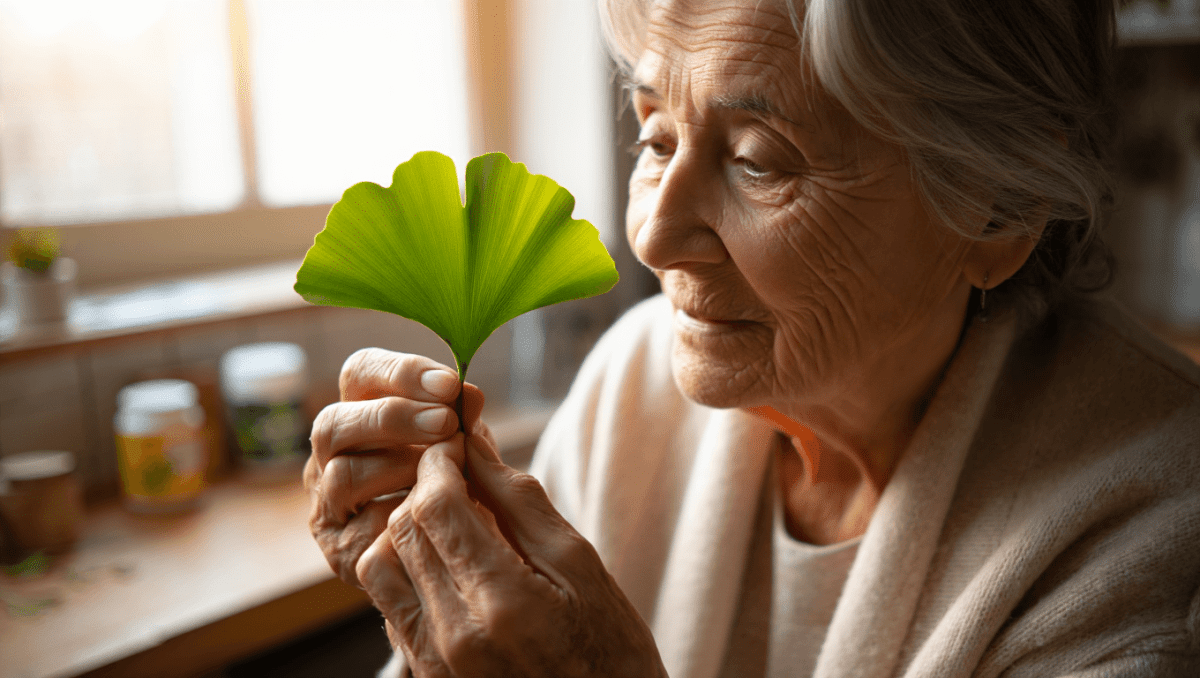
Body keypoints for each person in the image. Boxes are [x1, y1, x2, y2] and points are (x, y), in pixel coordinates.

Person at [303, 0, 1200, 675]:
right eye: (655, 136)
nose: (652, 236)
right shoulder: (635, 382)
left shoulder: (1153, 523)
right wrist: (426, 619)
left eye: (758, 159)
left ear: (998, 210)